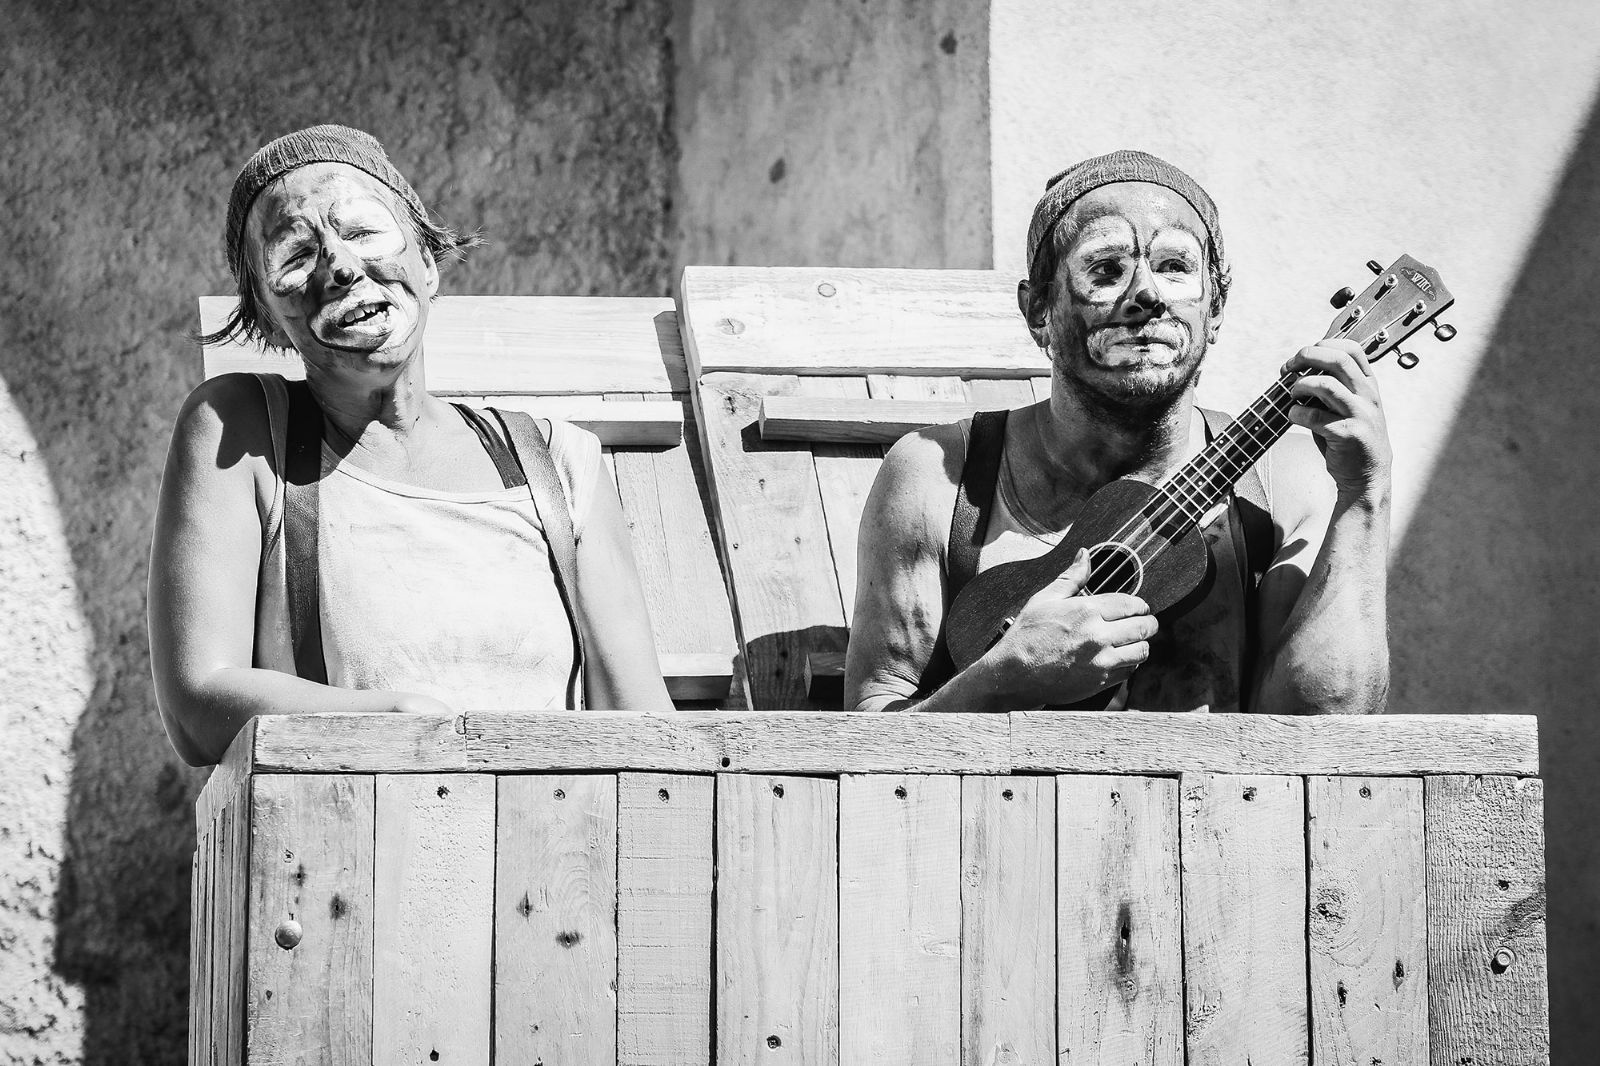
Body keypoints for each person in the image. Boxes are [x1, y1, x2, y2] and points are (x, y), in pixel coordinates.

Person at [150, 125, 671, 766]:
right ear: (269, 321)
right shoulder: (241, 433)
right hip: (350, 825)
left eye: (363, 232)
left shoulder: (558, 465)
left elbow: (645, 737)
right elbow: (197, 706)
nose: (341, 266)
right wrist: (400, 729)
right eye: (296, 255)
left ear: (427, 263)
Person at [846, 149, 1390, 715]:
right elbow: (868, 742)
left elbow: (1328, 724)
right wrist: (999, 681)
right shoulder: (940, 480)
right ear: (1039, 310)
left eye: (1175, 267)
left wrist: (1365, 495)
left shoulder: (1284, 483)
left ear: (1216, 307)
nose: (1147, 294)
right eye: (1105, 269)